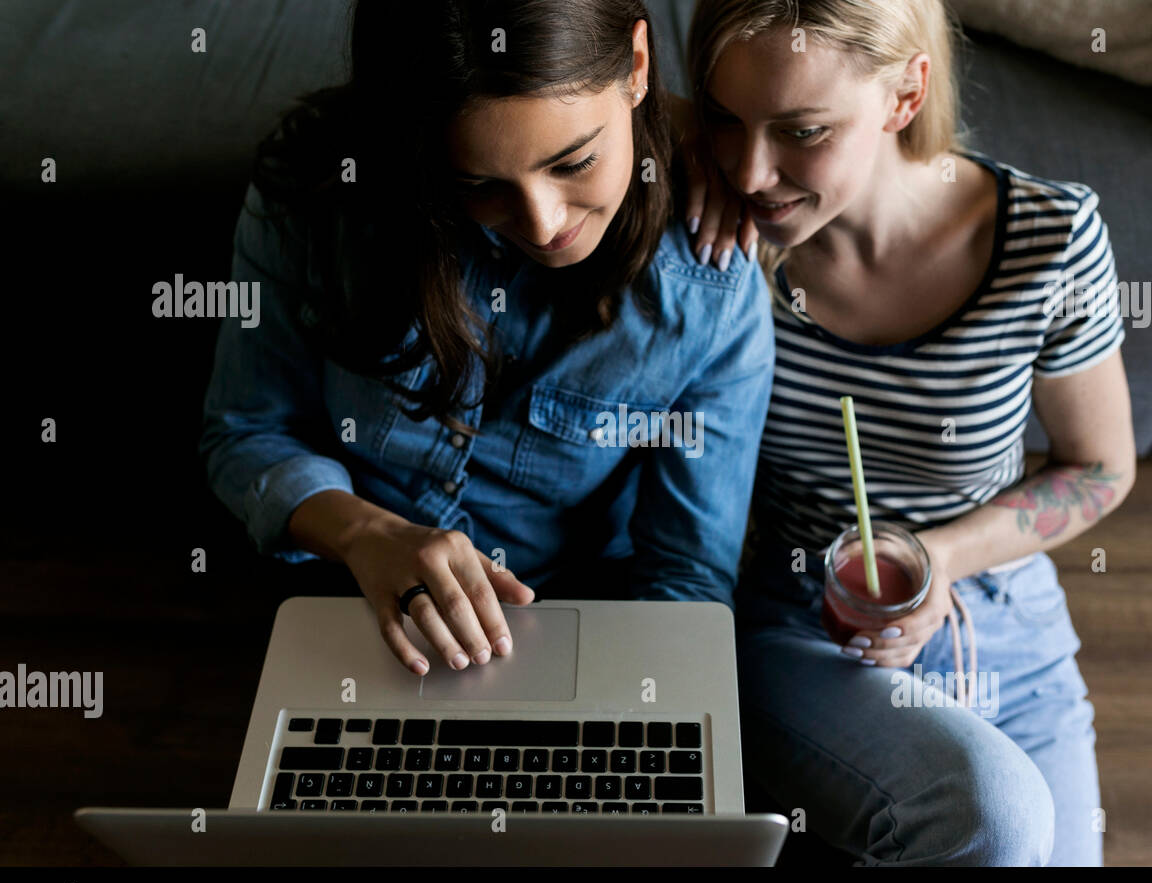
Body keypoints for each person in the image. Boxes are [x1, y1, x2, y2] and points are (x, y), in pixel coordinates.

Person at [683, 0, 1135, 865]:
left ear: (904, 94)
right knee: (995, 828)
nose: (749, 170)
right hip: (797, 624)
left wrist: (945, 558)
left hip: (1004, 621)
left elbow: (1101, 468)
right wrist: (672, 140)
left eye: (802, 130)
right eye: (722, 118)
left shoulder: (1049, 240)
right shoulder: (723, 234)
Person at [199, 0, 774, 676]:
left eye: (575, 162)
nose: (543, 223)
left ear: (639, 67)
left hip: (581, 632)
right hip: (349, 610)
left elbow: (685, 574)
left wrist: (650, 707)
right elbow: (244, 432)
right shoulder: (317, 200)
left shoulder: (709, 291)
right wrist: (365, 533)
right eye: (480, 186)